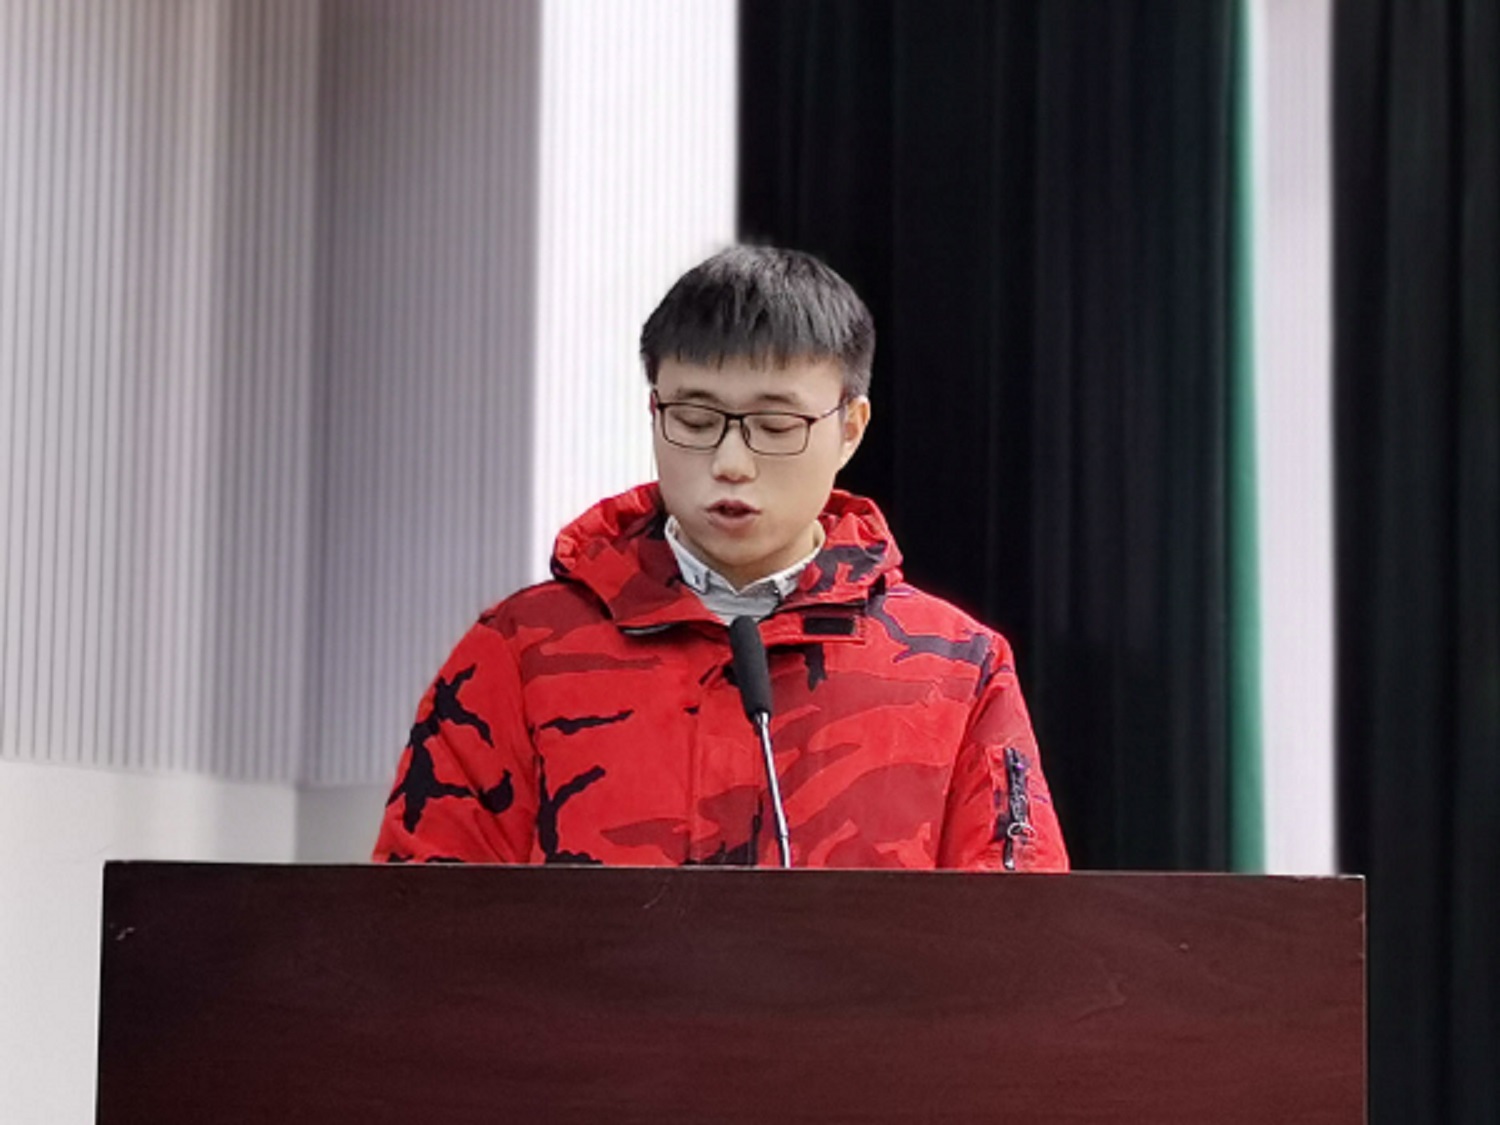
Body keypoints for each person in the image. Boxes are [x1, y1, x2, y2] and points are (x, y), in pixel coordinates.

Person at [373, 246, 1068, 870]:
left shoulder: (956, 671)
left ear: (850, 429)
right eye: (696, 421)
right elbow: (424, 926)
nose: (731, 462)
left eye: (775, 426)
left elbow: (1014, 942)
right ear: (654, 412)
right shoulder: (521, 653)